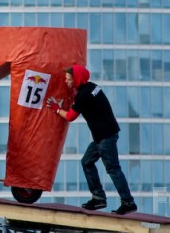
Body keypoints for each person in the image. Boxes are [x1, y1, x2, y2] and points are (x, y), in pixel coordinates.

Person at [46, 65, 137, 215]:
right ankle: (98, 198)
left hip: (105, 137)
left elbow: (70, 116)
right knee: (87, 161)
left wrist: (56, 108)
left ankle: (128, 202)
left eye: (69, 79)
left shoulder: (83, 95)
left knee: (113, 169)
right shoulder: (92, 87)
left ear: (77, 79)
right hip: (105, 134)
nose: (66, 82)